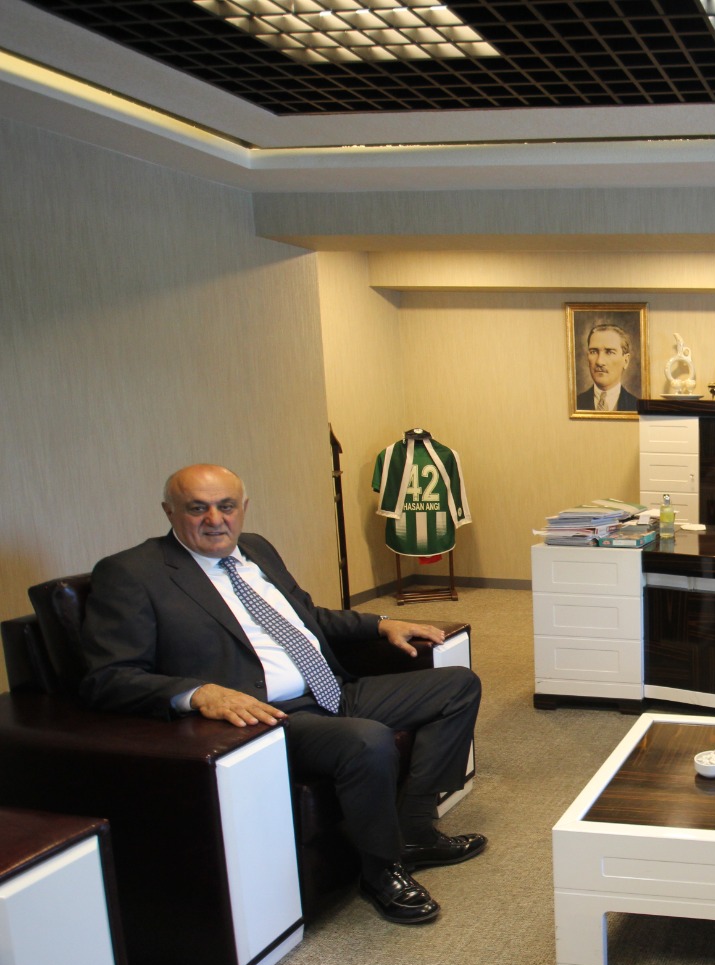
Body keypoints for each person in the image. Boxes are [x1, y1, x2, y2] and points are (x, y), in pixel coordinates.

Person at [79, 464, 486, 926]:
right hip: (269, 716)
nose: (215, 520)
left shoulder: (255, 549)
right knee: (367, 740)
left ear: (243, 508)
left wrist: (380, 623)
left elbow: (309, 616)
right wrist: (196, 693)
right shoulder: (132, 573)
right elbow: (107, 678)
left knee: (457, 685)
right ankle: (380, 871)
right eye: (197, 508)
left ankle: (414, 829)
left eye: (226, 506)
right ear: (169, 512)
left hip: (331, 689)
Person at [575, 323, 639, 411]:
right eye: (593, 352)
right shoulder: (575, 404)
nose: (599, 362)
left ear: (626, 361)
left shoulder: (637, 407)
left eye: (609, 352)